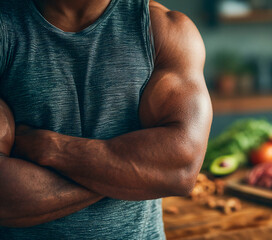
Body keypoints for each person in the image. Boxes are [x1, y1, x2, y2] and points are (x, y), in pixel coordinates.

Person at [0, 0, 212, 239]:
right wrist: (136, 175)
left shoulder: (163, 29)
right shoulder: (6, 28)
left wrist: (51, 149)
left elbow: (180, 167)